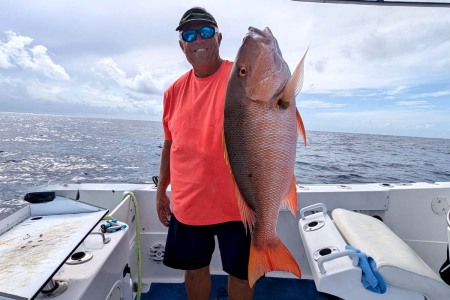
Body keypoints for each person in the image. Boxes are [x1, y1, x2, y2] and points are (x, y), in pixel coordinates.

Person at [156, 6, 254, 300]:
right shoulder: (173, 91)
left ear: (219, 38)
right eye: (189, 34)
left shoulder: (242, 78)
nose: (198, 39)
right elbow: (170, 143)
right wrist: (162, 189)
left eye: (206, 32)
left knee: (241, 273)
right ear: (182, 45)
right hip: (189, 205)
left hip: (237, 205)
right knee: (194, 270)